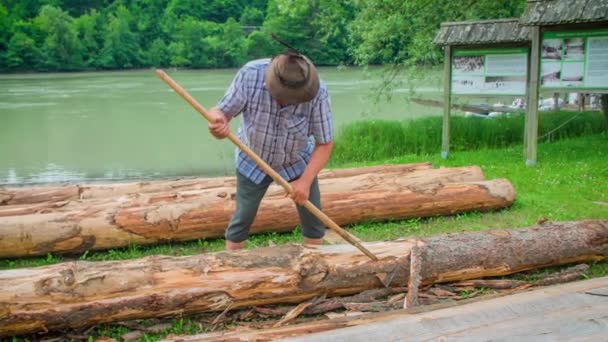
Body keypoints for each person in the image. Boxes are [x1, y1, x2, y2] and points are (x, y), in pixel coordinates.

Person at [208, 51, 334, 251]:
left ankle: (315, 263)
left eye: (294, 100)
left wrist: (304, 182)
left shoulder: (318, 93)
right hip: (252, 158)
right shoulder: (251, 75)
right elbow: (220, 112)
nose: (286, 102)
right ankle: (230, 265)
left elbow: (324, 143)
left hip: (296, 160)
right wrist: (218, 125)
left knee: (313, 219)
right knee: (243, 216)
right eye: (283, 97)